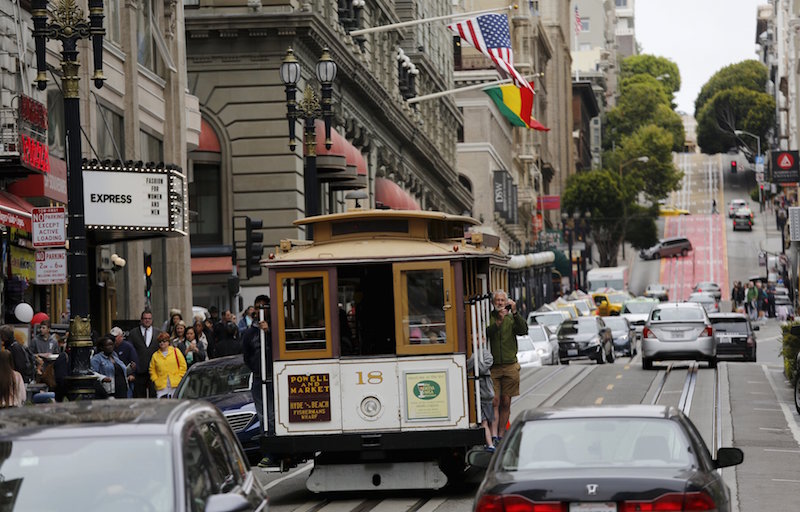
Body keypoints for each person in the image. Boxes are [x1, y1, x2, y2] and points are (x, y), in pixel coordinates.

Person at [487, 290, 527, 445]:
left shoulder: (511, 318)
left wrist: (515, 312)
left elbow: (523, 330)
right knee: (494, 400)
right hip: (494, 367)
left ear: (507, 302)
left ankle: (502, 434)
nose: (500, 303)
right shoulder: (490, 317)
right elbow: (487, 333)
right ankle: (494, 434)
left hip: (510, 365)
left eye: (502, 300)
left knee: (506, 401)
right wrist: (498, 322)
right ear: (493, 302)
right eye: (497, 300)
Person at [242, 295, 274, 467]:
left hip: (274, 377)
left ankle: (281, 451)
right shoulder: (249, 333)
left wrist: (268, 332)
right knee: (263, 417)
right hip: (258, 379)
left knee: (274, 416)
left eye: (264, 306)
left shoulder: (275, 327)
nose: (260, 309)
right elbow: (246, 356)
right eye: (257, 306)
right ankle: (268, 453)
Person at [466, 337, 494, 451]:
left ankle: (492, 442)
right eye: (472, 339)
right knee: (483, 421)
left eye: (478, 339)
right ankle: (490, 444)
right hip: (476, 393)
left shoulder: (486, 354)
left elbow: (482, 369)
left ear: (483, 340)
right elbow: (465, 367)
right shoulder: (470, 354)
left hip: (486, 393)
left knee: (489, 419)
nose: (475, 341)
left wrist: (473, 358)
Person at [128, 309, 162, 398]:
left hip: (154, 369)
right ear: (141, 320)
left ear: (152, 320)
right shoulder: (133, 333)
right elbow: (130, 350)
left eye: (149, 318)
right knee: (139, 396)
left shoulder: (158, 332)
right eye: (145, 318)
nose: (147, 320)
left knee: (154, 395)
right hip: (139, 370)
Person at [149, 332, 187, 398]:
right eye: (160, 341)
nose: (162, 343)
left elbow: (183, 366)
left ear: (168, 342)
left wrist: (180, 376)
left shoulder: (176, 351)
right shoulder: (155, 355)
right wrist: (155, 379)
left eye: (164, 341)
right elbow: (152, 369)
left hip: (175, 384)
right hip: (161, 386)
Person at [110, 327, 138, 398]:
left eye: (116, 337)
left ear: (121, 336)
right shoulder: (110, 347)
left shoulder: (128, 346)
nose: (114, 339)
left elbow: (134, 361)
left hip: (126, 378)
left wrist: (133, 375)